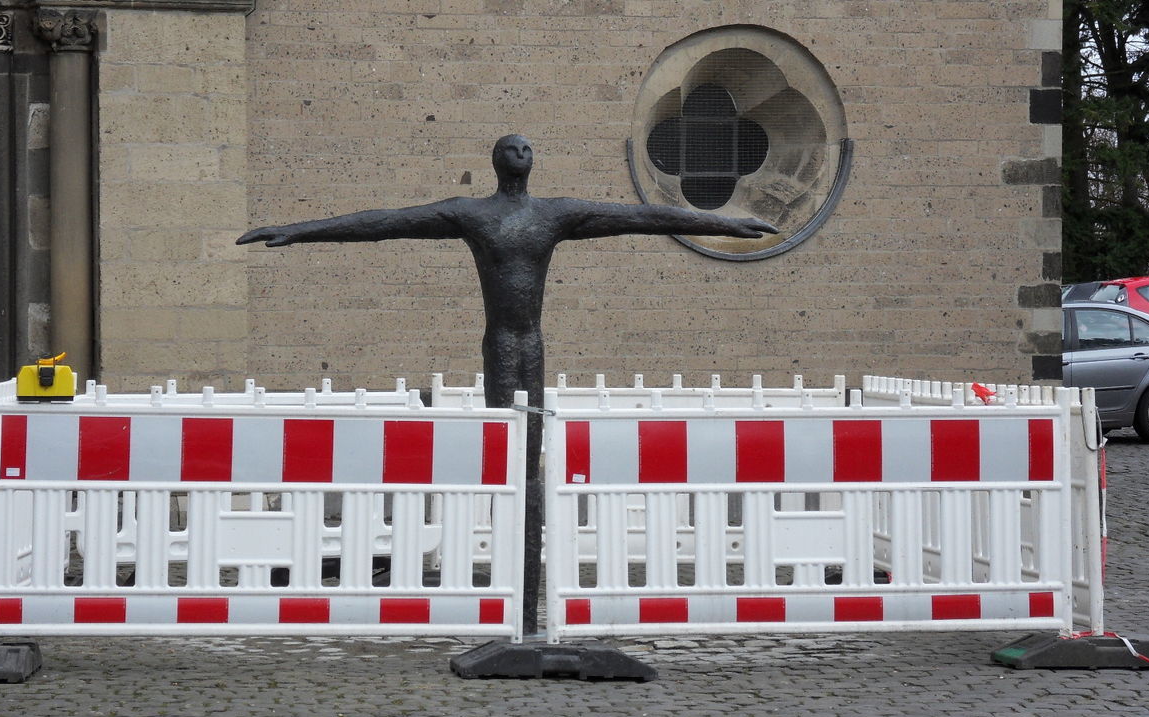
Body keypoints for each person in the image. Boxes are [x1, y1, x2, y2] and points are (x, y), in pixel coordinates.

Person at [237, 134, 778, 633]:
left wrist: (727, 224)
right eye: (510, 147)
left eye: (526, 146)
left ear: (533, 160)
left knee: (531, 471)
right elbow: (386, 221)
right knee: (509, 470)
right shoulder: (472, 215)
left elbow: (641, 216)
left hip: (531, 346)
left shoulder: (556, 214)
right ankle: (512, 609)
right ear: (498, 161)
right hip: (500, 346)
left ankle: (525, 615)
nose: (519, 151)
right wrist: (298, 231)